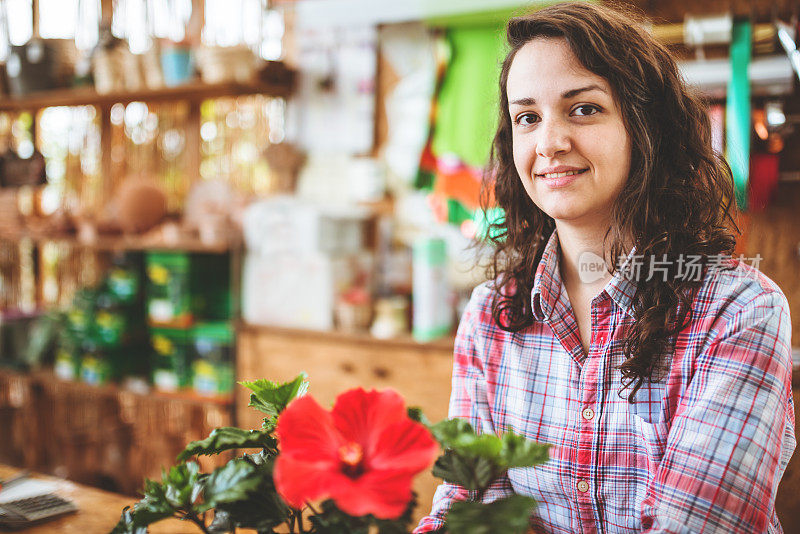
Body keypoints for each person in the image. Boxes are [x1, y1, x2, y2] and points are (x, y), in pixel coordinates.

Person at [415, 2, 796, 533]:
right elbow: (469, 507)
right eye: (528, 117)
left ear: (647, 125)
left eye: (584, 109)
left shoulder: (739, 310)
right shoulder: (491, 315)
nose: (549, 141)